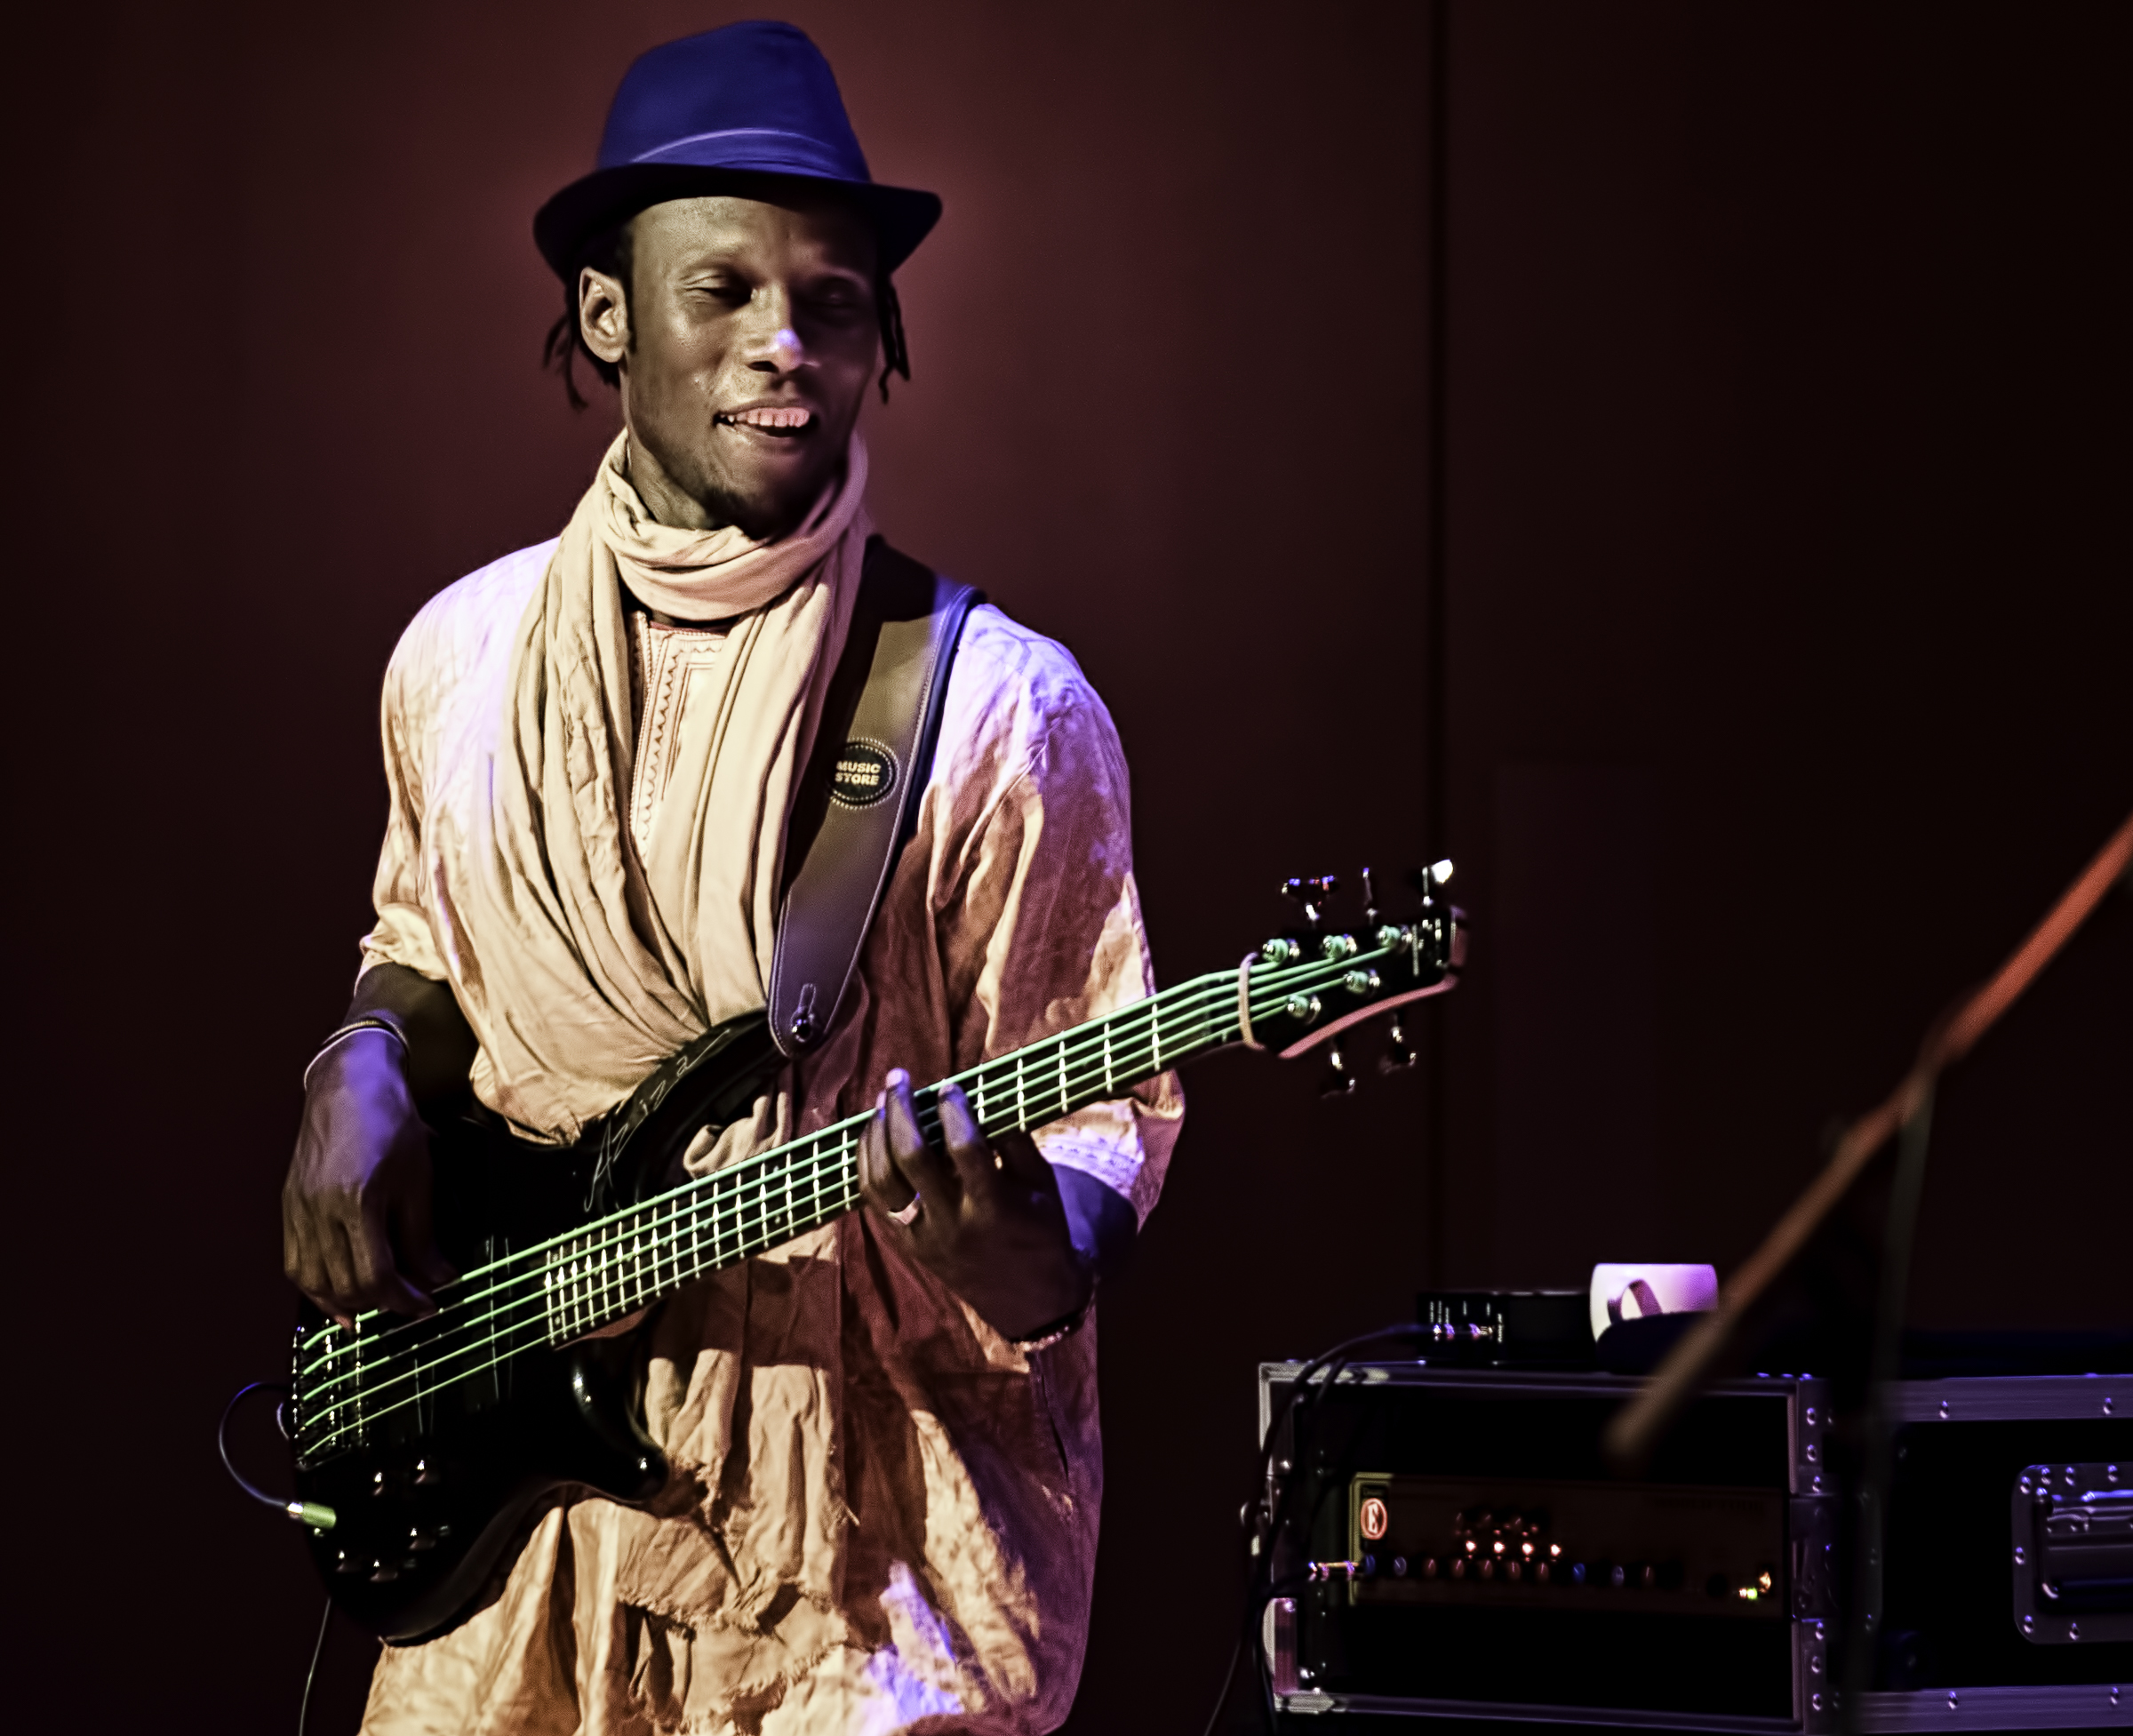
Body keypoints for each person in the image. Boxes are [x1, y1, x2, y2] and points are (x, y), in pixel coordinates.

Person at [279, 23, 1181, 1735]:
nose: (786, 343)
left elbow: (1104, 1122)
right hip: (512, 1558)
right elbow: (422, 940)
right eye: (727, 290)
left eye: (832, 300)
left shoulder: (1000, 709)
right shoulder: (457, 660)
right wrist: (361, 1058)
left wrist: (1020, 1247)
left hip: (855, 1570)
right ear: (609, 313)